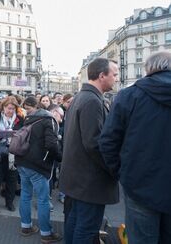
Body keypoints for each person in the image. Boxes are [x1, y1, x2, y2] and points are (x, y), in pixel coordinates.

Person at [99, 52, 171, 243]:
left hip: (140, 185)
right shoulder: (129, 95)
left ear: (149, 69)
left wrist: (122, 173)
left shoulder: (129, 95)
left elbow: (107, 142)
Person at [59, 58, 119, 243]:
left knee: (74, 223)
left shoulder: (80, 97)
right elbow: (94, 144)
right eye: (114, 74)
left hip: (77, 179)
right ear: (102, 76)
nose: (116, 78)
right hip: (89, 182)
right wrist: (115, 168)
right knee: (86, 229)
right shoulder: (92, 101)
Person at [15, 97, 62, 242]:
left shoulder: (28, 119)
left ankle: (26, 226)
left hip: (22, 162)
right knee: (42, 199)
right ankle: (46, 234)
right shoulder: (49, 120)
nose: (61, 118)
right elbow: (51, 145)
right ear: (53, 112)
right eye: (60, 115)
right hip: (38, 165)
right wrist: (60, 157)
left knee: (26, 195)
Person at [0, 96, 23, 214]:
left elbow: (23, 133)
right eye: (8, 108)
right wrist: (0, 135)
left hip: (13, 152)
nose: (10, 111)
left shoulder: (19, 119)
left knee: (12, 179)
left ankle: (9, 202)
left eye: (13, 109)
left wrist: (15, 135)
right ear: (3, 107)